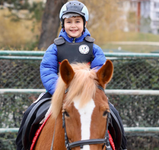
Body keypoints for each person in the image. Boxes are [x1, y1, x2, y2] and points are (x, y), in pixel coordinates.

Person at [16, 1, 127, 150]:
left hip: (89, 94)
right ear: (63, 23)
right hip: (60, 93)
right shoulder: (55, 47)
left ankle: (121, 146)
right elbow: (47, 68)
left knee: (113, 114)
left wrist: (89, 86)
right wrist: (59, 90)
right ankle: (22, 146)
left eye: (77, 21)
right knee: (31, 113)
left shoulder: (94, 48)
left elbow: (100, 68)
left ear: (84, 23)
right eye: (69, 22)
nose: (73, 25)